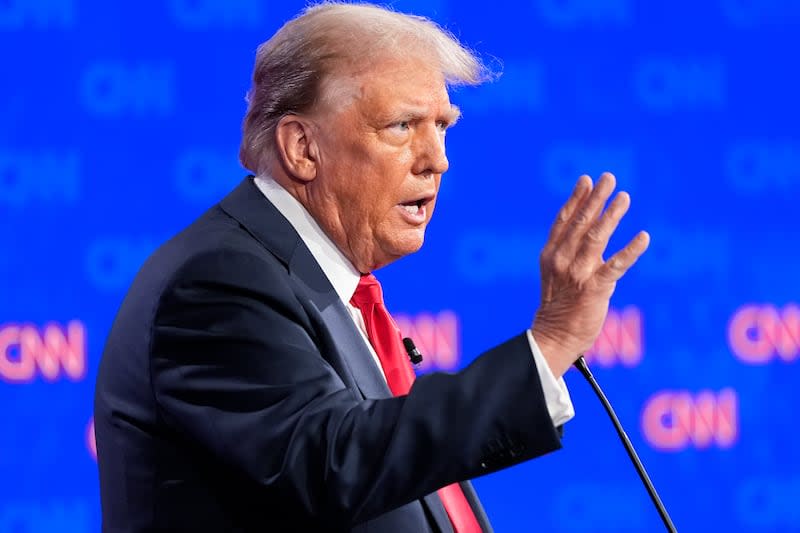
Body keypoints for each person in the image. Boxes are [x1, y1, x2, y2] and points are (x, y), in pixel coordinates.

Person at [94, 2, 650, 532]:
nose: (438, 160)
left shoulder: (319, 284)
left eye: (444, 126)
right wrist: (549, 344)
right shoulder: (218, 282)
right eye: (402, 127)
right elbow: (332, 462)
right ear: (302, 148)